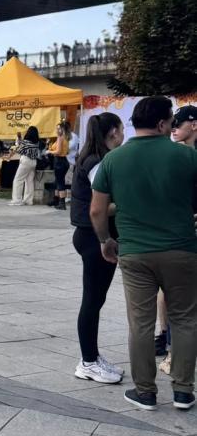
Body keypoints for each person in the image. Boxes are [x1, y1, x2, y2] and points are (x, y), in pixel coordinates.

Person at [91, 96, 197, 411]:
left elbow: (97, 210)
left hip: (135, 251)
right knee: (185, 319)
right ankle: (183, 391)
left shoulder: (114, 160)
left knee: (140, 322)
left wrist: (105, 240)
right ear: (163, 123)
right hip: (181, 249)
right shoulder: (187, 157)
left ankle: (146, 392)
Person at [70, 114, 125, 385]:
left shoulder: (93, 157)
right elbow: (99, 207)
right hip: (94, 238)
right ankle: (88, 362)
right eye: (122, 129)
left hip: (89, 236)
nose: (123, 134)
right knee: (92, 300)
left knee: (95, 299)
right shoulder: (97, 162)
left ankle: (91, 357)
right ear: (113, 132)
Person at [10, 126, 41, 206]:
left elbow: (19, 150)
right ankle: (28, 200)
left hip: (26, 161)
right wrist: (20, 139)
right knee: (29, 181)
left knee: (18, 180)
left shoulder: (26, 141)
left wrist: (18, 141)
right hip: (34, 162)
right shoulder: (37, 142)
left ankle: (17, 200)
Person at [48, 121, 72, 210]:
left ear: (62, 129)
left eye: (58, 128)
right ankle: (57, 200)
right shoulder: (67, 138)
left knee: (60, 182)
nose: (57, 130)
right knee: (58, 181)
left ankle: (62, 203)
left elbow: (57, 152)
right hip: (64, 161)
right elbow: (68, 151)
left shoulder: (60, 138)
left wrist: (49, 151)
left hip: (59, 161)